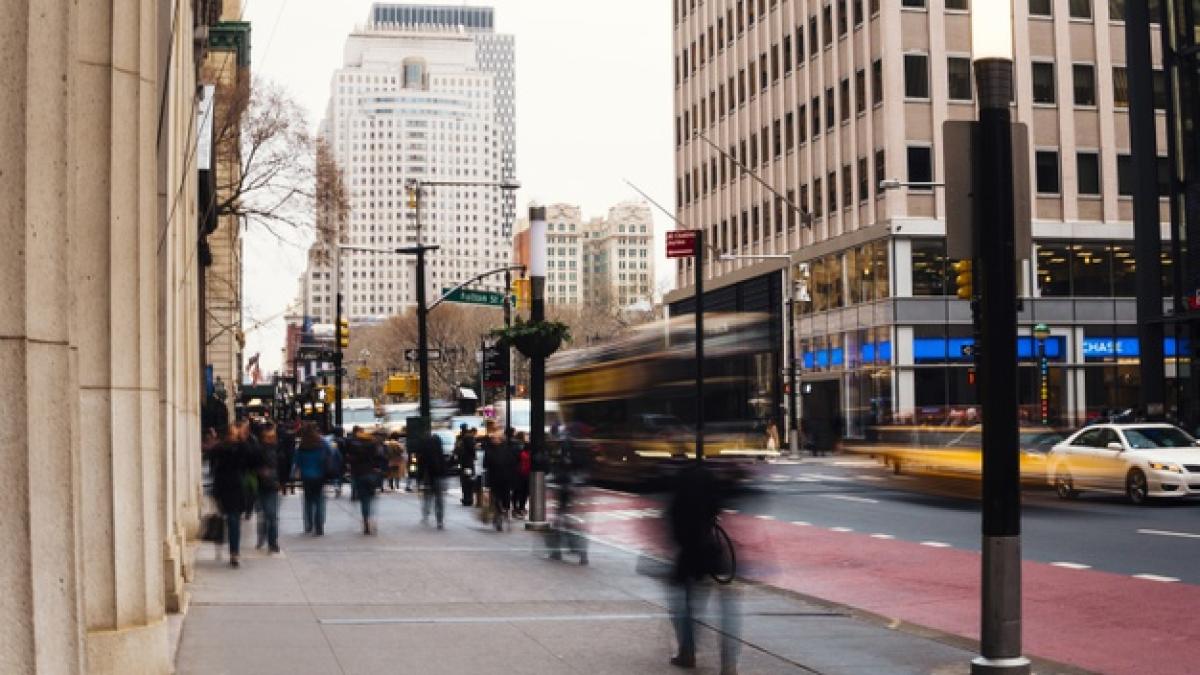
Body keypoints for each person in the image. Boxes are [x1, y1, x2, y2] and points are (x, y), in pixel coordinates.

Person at [666, 461, 740, 673]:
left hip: (690, 553)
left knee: (683, 604)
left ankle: (687, 651)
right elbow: (718, 506)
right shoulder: (709, 475)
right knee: (726, 608)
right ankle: (729, 663)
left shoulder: (682, 477)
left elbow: (674, 516)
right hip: (712, 551)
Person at [204, 421, 258, 568]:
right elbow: (252, 459)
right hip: (233, 487)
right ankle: (233, 551)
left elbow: (212, 465)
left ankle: (226, 548)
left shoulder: (221, 448)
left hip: (225, 488)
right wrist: (242, 439)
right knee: (233, 521)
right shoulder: (238, 447)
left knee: (227, 518)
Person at [546, 427, 588, 565]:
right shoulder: (580, 450)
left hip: (567, 489)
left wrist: (555, 479)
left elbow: (559, 470)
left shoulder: (564, 450)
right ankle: (581, 553)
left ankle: (558, 551)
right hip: (574, 490)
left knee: (561, 520)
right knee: (573, 521)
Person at [294, 422, 333, 536]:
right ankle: (319, 525)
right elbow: (330, 454)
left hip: (306, 477)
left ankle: (308, 524)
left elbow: (297, 461)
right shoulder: (322, 443)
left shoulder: (302, 445)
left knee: (308, 501)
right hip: (320, 475)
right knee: (319, 500)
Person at [346, 428, 386, 534]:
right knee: (372, 498)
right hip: (371, 474)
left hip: (359, 475)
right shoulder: (373, 446)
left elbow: (350, 460)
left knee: (364, 500)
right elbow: (381, 459)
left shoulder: (354, 447)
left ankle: (365, 522)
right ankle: (372, 521)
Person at [254, 423, 282, 554]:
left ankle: (272, 542)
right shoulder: (258, 450)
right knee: (264, 515)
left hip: (272, 486)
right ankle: (263, 538)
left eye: (273, 436)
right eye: (268, 437)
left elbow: (283, 466)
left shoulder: (277, 450)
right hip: (261, 485)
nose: (271, 439)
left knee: (271, 515)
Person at [482, 421, 515, 531]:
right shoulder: (490, 450)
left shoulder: (506, 449)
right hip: (494, 478)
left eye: (497, 438)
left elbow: (512, 464)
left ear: (501, 439)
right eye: (493, 438)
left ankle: (503, 514)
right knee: (496, 499)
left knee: (505, 499)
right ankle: (499, 517)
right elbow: (485, 465)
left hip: (505, 478)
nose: (495, 440)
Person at [417, 431, 447, 529]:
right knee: (439, 499)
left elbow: (420, 466)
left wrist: (419, 479)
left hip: (428, 476)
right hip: (438, 476)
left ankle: (425, 514)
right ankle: (440, 520)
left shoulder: (424, 453)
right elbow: (444, 465)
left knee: (427, 497)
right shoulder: (440, 452)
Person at [454, 425, 478, 506]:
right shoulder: (469, 438)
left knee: (464, 481)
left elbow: (456, 450)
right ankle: (469, 498)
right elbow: (472, 450)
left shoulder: (460, 438)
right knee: (469, 481)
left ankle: (465, 498)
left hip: (462, 463)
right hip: (468, 463)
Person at [512, 432, 531, 518]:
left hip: (518, 473)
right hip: (525, 474)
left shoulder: (516, 448)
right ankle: (521, 508)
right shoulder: (523, 448)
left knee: (518, 491)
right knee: (524, 492)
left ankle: (516, 508)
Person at [276, 419, 298, 495]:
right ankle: (292, 489)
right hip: (291, 455)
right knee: (291, 473)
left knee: (283, 473)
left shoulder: (283, 435)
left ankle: (284, 490)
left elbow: (280, 445)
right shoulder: (293, 435)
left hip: (284, 456)